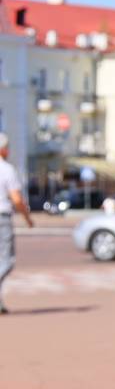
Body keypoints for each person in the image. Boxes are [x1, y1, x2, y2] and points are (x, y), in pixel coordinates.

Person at [0, 132, 34, 314]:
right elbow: (17, 199)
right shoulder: (6, 169)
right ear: (3, 150)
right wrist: (27, 218)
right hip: (2, 218)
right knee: (7, 259)